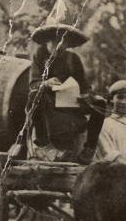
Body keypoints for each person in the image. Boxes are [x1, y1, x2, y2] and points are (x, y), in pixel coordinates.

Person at [27, 23, 106, 164]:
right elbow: (33, 83)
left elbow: (85, 86)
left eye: (64, 42)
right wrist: (45, 83)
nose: (59, 46)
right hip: (49, 102)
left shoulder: (73, 59)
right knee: (35, 95)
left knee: (100, 103)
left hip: (71, 103)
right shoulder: (39, 55)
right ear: (48, 40)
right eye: (56, 41)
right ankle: (45, 145)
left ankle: (89, 148)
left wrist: (86, 95)